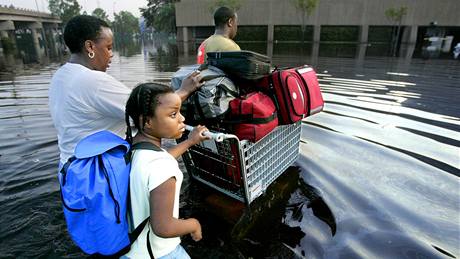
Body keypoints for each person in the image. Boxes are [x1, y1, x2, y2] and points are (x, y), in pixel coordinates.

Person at [48, 15, 203, 166]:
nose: (111, 55)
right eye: (108, 48)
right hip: (100, 174)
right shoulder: (93, 81)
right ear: (90, 47)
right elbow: (150, 107)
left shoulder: (61, 75)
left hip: (72, 171)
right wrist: (184, 90)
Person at [124, 83, 209, 258]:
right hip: (160, 253)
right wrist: (194, 224)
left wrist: (190, 142)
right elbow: (163, 227)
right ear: (147, 121)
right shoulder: (162, 166)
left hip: (130, 250)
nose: (182, 119)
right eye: (173, 114)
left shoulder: (132, 150)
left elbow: (161, 159)